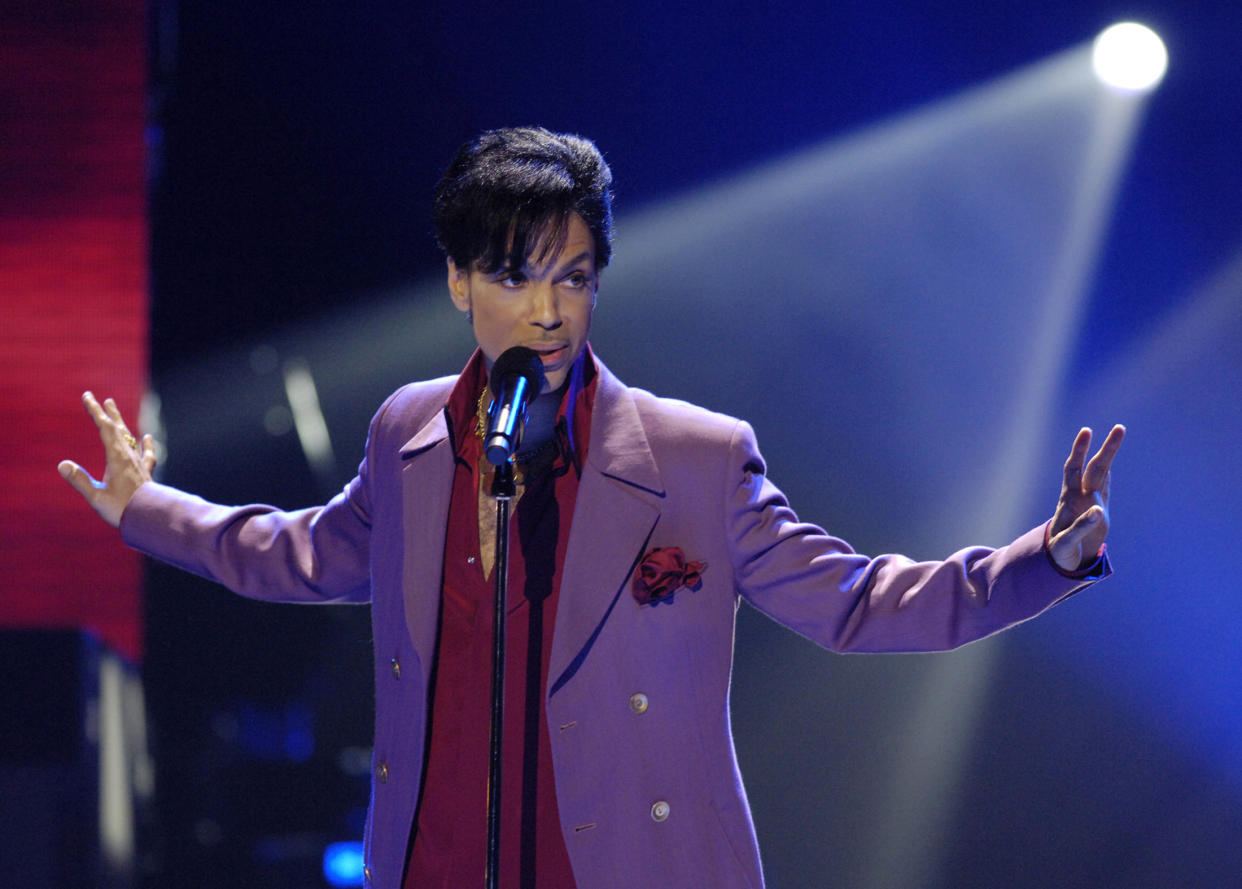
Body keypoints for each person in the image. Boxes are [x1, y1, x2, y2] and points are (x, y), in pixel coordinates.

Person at [59, 126, 1125, 889]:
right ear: (458, 281)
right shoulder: (408, 433)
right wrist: (146, 507)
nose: (548, 309)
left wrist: (1048, 558)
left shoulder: (695, 458)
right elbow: (300, 554)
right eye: (518, 276)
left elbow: (856, 600)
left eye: (573, 277)